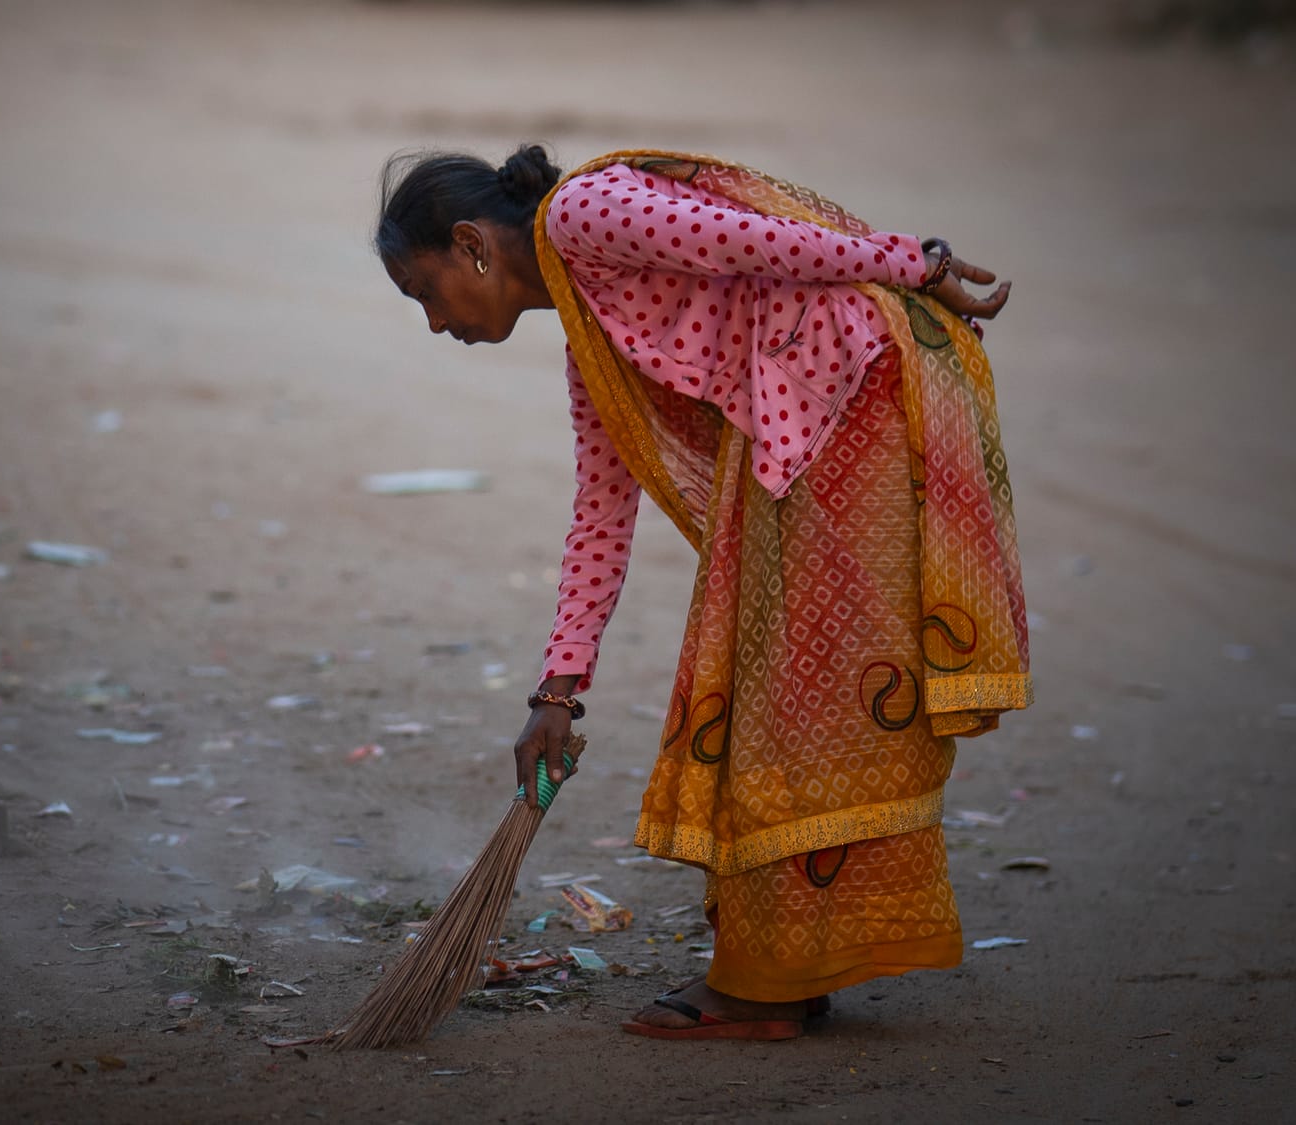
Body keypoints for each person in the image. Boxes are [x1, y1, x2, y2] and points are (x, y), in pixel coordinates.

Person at [375, 145, 1030, 1040]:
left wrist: (918, 263)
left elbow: (755, 243)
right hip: (815, 425)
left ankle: (763, 989)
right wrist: (556, 692)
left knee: (779, 707)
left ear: (470, 245)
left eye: (423, 292)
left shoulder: (581, 213)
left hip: (847, 397)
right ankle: (788, 964)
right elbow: (600, 517)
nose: (433, 323)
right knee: (791, 701)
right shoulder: (588, 340)